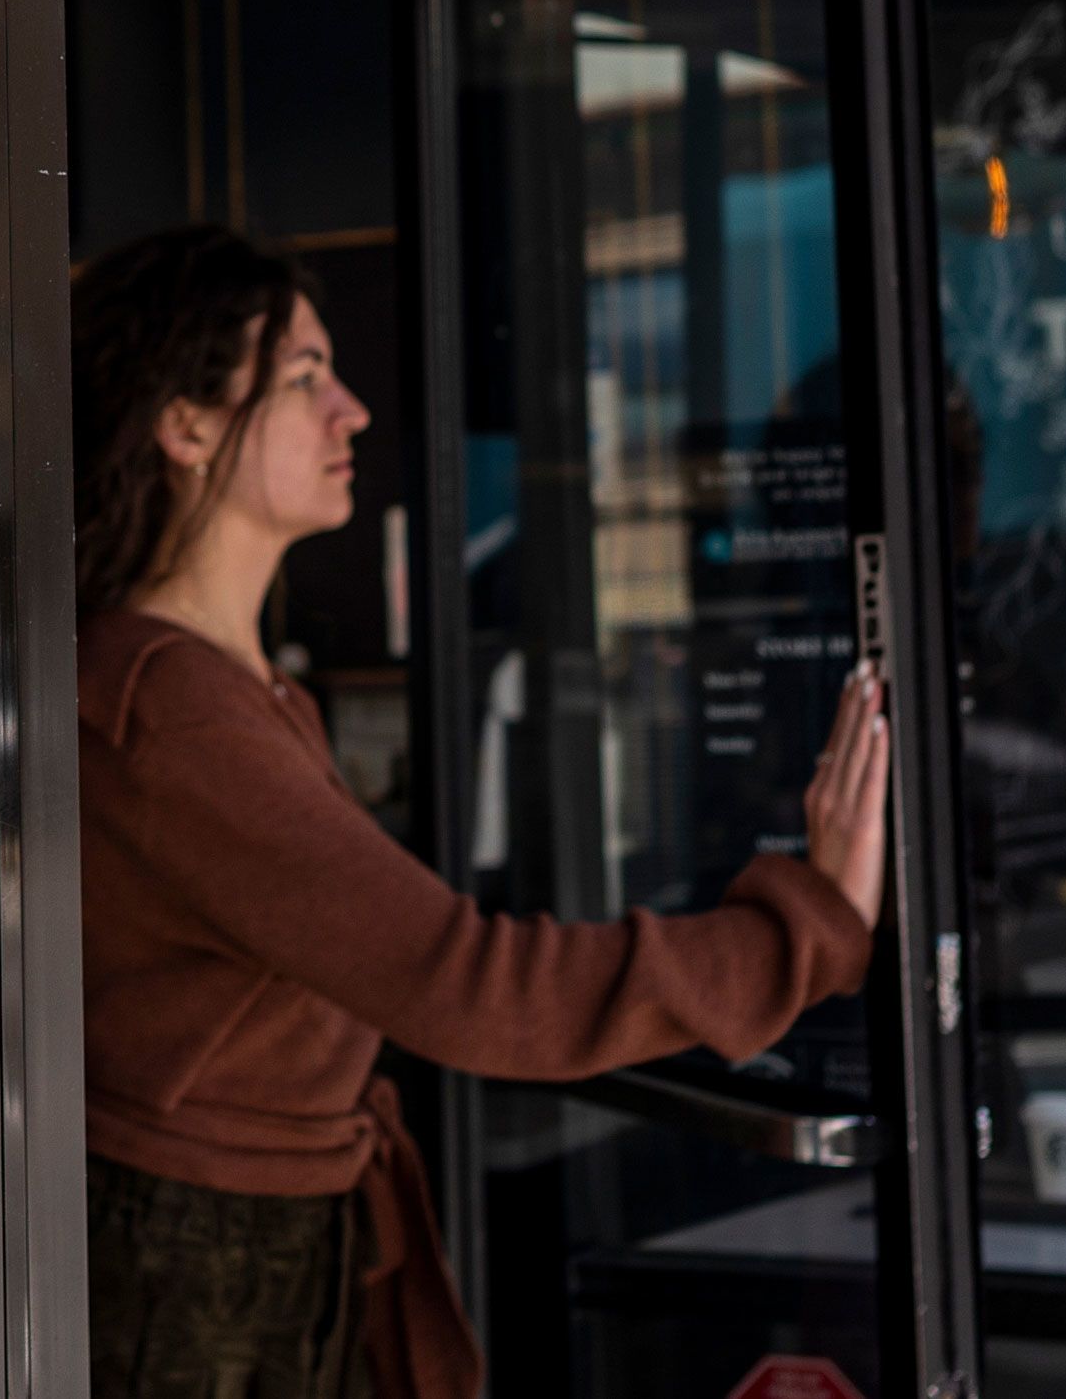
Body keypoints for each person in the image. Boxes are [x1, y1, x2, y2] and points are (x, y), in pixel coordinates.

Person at [73, 228, 891, 1399]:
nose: (350, 411)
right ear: (185, 424)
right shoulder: (176, 710)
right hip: (195, 1283)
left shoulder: (238, 692)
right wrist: (798, 933)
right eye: (302, 378)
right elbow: (468, 982)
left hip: (255, 1252)